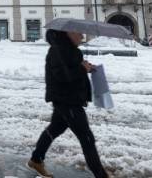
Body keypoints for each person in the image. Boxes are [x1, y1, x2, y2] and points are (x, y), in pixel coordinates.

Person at [28, 29, 108, 178]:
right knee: (87, 138)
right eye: (79, 33)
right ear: (69, 34)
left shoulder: (71, 51)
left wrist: (86, 67)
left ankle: (36, 160)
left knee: (55, 129)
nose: (82, 36)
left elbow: (71, 70)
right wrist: (81, 68)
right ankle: (101, 175)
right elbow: (62, 76)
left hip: (71, 98)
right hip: (67, 100)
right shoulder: (57, 51)